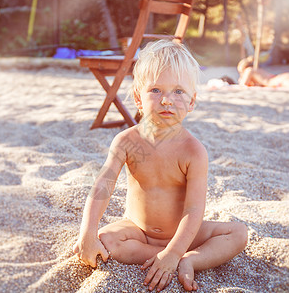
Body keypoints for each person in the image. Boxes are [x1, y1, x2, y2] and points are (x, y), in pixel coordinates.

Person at [73, 40, 248, 292]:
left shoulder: (194, 151)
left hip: (185, 235)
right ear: (138, 98)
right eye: (155, 90)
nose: (167, 100)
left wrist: (177, 251)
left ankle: (190, 259)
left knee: (238, 234)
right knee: (106, 240)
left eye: (178, 91)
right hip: (139, 231)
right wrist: (87, 233)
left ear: (192, 101)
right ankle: (163, 257)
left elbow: (194, 208)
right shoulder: (126, 141)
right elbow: (103, 185)